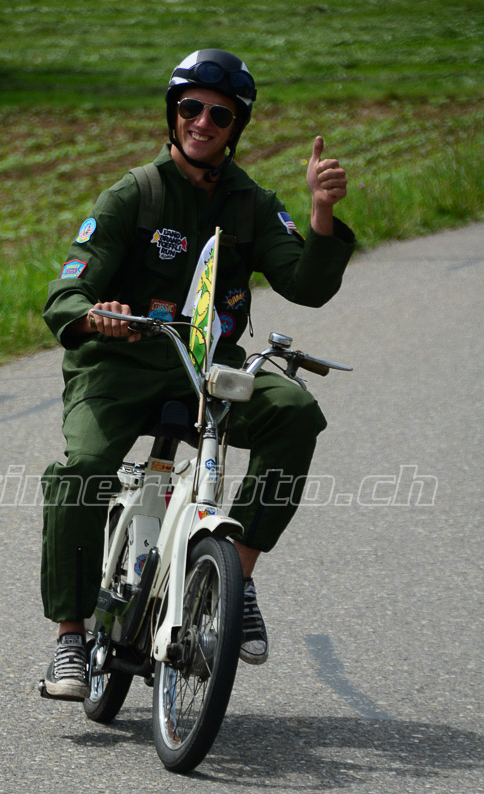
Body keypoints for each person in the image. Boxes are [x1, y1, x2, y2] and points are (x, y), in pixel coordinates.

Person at [41, 48, 355, 699]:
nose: (203, 122)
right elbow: (66, 291)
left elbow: (306, 285)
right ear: (173, 113)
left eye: (220, 114)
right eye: (191, 108)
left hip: (206, 368)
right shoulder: (134, 194)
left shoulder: (251, 203)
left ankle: (234, 578)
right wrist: (94, 315)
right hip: (118, 368)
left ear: (236, 126)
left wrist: (321, 211)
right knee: (81, 472)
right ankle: (70, 637)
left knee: (295, 413)